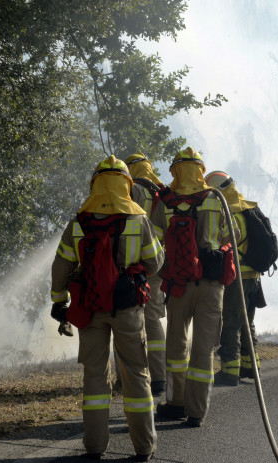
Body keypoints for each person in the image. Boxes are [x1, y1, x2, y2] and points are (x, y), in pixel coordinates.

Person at [49, 155, 164, 461]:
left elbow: (61, 266)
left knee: (95, 377)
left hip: (90, 309)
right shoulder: (138, 220)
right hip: (127, 308)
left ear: (96, 183)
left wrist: (58, 300)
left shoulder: (79, 221)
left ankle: (95, 447)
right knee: (137, 373)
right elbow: (155, 263)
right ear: (126, 185)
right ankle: (144, 447)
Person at [152, 147, 238, 427]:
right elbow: (234, 237)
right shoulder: (215, 198)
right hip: (211, 287)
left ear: (175, 170)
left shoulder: (164, 201)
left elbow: (152, 243)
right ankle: (196, 412)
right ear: (201, 171)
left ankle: (175, 403)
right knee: (203, 350)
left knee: (176, 347)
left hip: (178, 286)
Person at [205, 170, 264, 386]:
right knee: (247, 322)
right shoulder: (248, 208)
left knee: (230, 322)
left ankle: (229, 371)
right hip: (254, 276)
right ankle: (251, 367)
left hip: (237, 275)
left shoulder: (229, 212)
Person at [116, 152, 167, 395]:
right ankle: (159, 377)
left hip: (129, 264)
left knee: (126, 318)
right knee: (154, 319)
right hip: (155, 262)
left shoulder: (132, 189)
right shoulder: (163, 193)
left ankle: (128, 378)